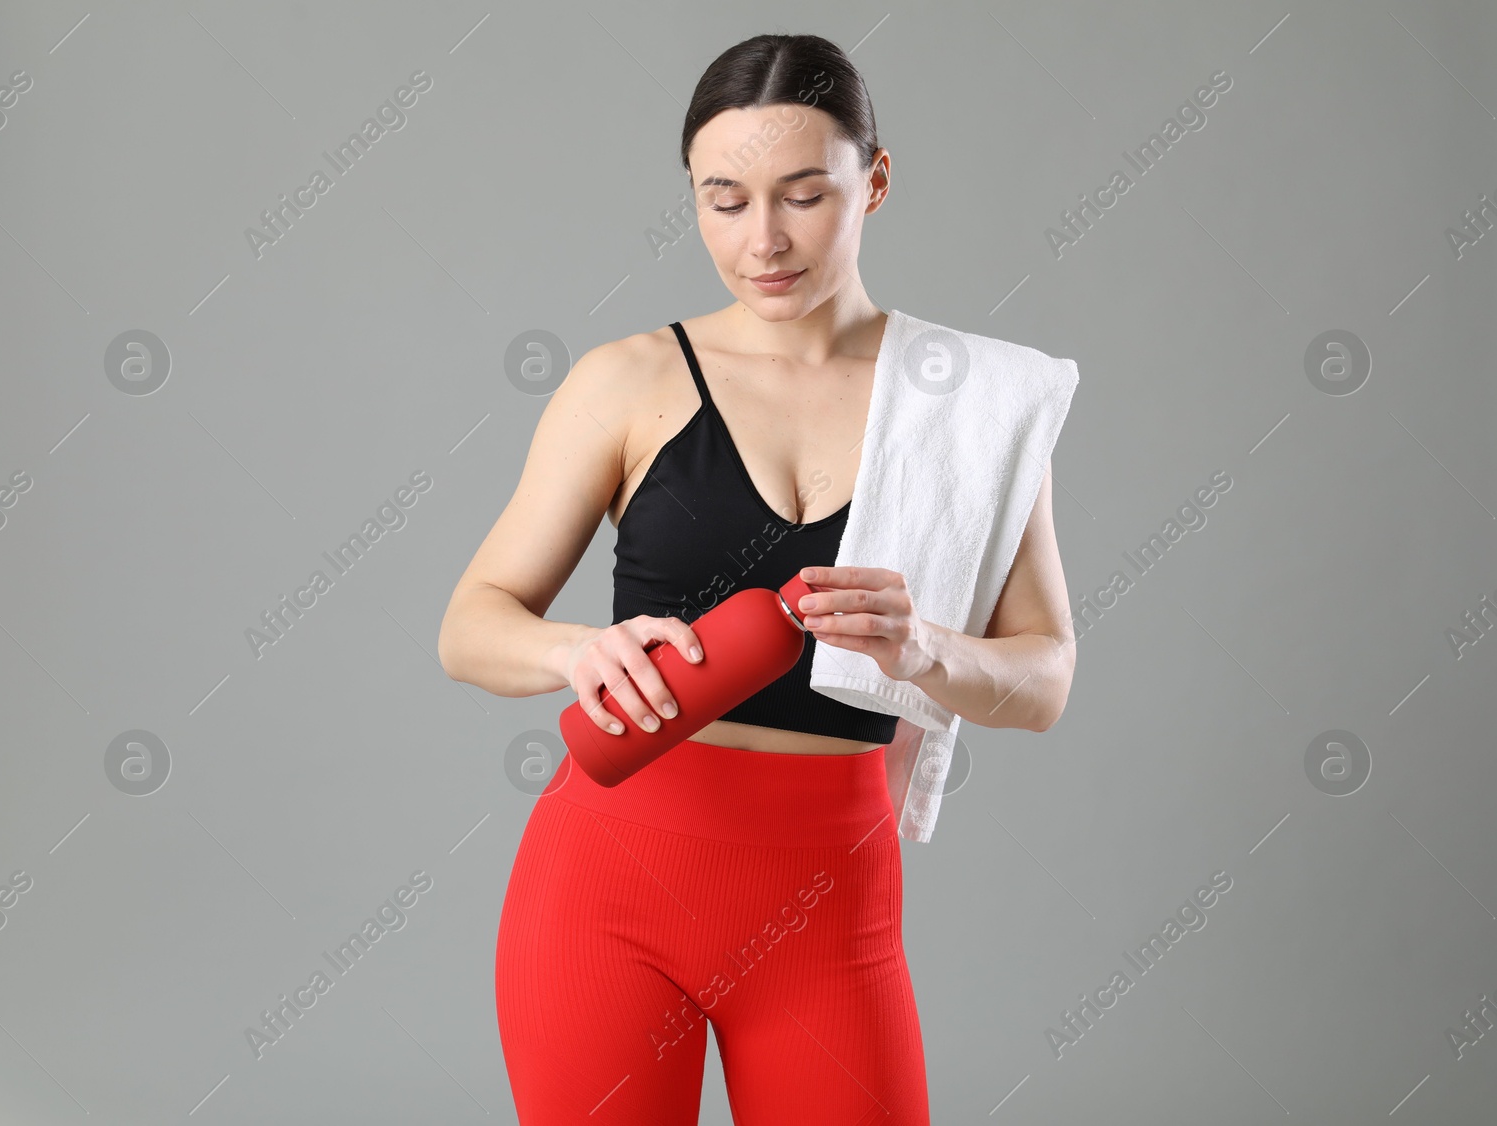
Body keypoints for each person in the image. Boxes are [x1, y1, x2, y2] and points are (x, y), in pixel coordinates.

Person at [437, 32, 1076, 1126]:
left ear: (873, 182)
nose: (762, 241)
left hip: (831, 901)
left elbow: (1045, 678)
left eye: (802, 196)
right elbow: (471, 624)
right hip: (604, 888)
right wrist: (574, 650)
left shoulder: (974, 406)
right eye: (723, 200)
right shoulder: (628, 381)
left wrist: (925, 651)